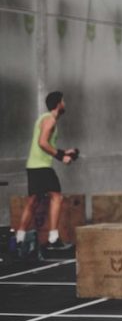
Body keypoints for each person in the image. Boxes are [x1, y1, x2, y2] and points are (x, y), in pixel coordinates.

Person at [16, 91, 78, 255]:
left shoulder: (45, 118)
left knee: (33, 202)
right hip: (42, 167)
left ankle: (19, 240)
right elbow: (42, 143)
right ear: (58, 104)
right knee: (57, 197)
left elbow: (44, 144)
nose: (65, 104)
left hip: (34, 165)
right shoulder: (50, 119)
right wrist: (60, 156)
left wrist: (65, 152)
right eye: (63, 101)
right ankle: (52, 239)